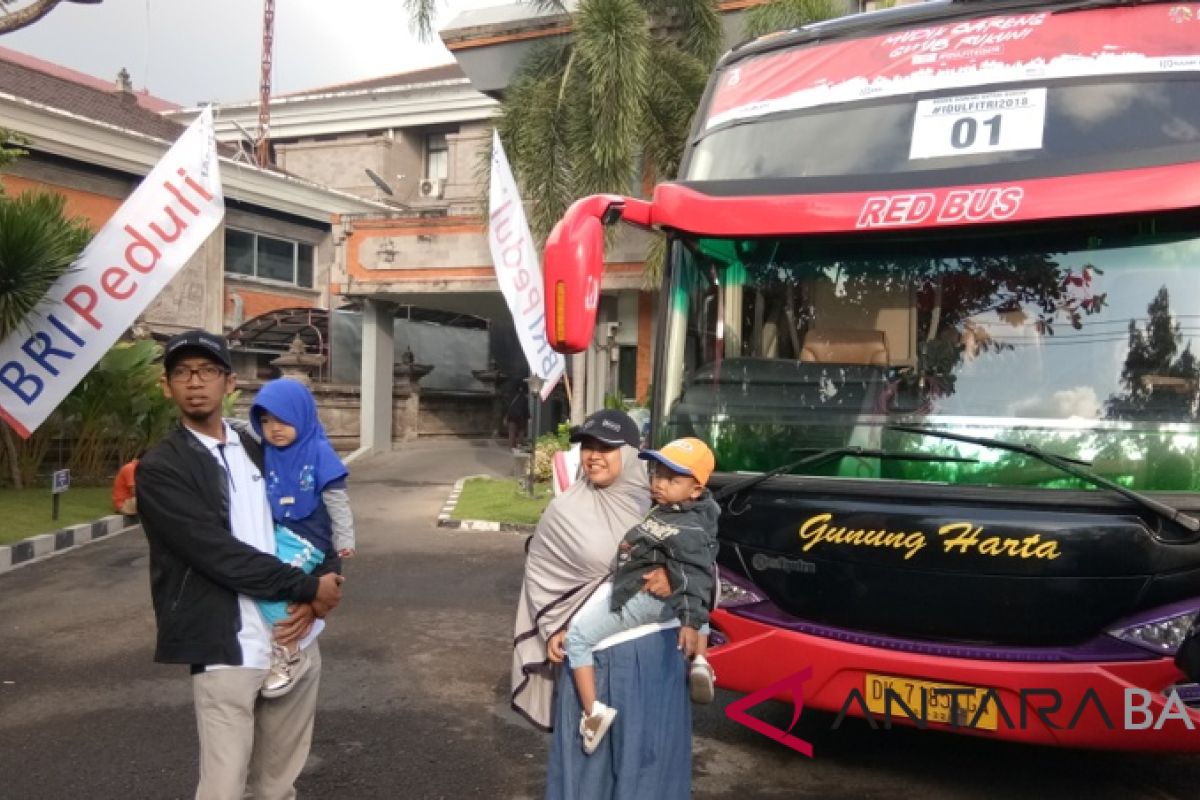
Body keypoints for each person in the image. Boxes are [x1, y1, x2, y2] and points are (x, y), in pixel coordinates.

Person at [136, 330, 345, 800]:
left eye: (207, 371)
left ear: (230, 382)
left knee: (277, 785)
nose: (195, 382)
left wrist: (322, 588)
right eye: (182, 372)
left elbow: (313, 516)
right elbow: (215, 553)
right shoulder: (162, 468)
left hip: (294, 636)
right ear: (167, 385)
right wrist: (307, 588)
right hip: (224, 646)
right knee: (224, 788)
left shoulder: (260, 448)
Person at [512, 409, 693, 799]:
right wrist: (553, 627)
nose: (593, 455)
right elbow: (540, 573)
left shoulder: (658, 500)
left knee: (650, 768)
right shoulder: (564, 510)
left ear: (629, 453)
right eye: (587, 447)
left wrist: (673, 577)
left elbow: (703, 562)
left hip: (655, 657)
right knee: (587, 776)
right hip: (591, 664)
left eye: (605, 447)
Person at [564, 437, 720, 754]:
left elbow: (697, 575)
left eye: (671, 478)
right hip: (661, 593)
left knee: (577, 637)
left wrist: (689, 621)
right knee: (693, 587)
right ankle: (702, 661)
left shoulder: (685, 527)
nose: (658, 483)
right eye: (656, 473)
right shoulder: (687, 512)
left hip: (646, 596)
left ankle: (593, 713)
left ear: (695, 490)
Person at [249, 378, 357, 698]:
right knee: (259, 580)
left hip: (309, 539)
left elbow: (338, 501)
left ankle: (290, 651)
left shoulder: (319, 451)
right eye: (265, 421)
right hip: (280, 533)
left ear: (302, 415)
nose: (274, 429)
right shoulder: (269, 452)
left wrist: (344, 540)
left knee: (270, 584)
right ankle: (280, 644)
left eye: (283, 419)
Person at [506, 383, 531, 450]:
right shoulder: (524, 398)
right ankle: (520, 445)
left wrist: (506, 417)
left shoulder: (512, 396)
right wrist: (528, 417)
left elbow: (508, 407)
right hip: (521, 418)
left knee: (511, 432)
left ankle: (512, 446)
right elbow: (526, 408)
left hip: (512, 417)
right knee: (521, 431)